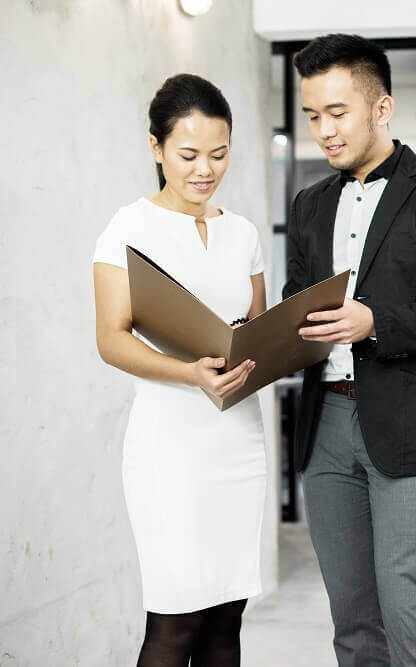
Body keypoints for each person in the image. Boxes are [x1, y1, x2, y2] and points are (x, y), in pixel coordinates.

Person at [283, 34, 416, 666]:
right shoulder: (309, 204)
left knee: (408, 603)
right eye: (313, 115)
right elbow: (301, 301)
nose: (324, 130)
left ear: (382, 109)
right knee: (351, 614)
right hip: (326, 425)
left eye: (338, 112)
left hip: (409, 420)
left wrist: (376, 322)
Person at [92, 74, 266, 665]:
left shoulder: (242, 234)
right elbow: (111, 341)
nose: (205, 169)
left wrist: (263, 347)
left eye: (219, 155)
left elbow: (257, 332)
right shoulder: (129, 228)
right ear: (155, 147)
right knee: (176, 621)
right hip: (169, 448)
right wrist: (190, 373)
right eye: (189, 155)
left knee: (227, 623)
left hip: (238, 442)